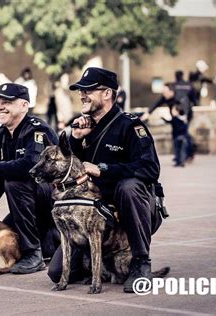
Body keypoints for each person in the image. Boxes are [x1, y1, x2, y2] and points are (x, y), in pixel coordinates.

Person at [48, 67, 162, 293]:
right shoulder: (82, 126)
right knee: (57, 273)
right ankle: (97, 259)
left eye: (88, 90)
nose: (82, 95)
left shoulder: (130, 125)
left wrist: (104, 169)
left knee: (128, 186)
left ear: (107, 93)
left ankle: (140, 262)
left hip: (129, 209)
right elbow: (71, 171)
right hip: (94, 214)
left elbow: (151, 168)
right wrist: (77, 141)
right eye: (80, 90)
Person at [0, 82, 59, 274]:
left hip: (52, 200)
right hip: (27, 198)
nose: (0, 106)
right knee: (3, 233)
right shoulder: (0, 134)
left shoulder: (37, 130)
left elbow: (29, 167)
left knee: (16, 181)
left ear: (24, 105)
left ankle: (34, 253)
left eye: (7, 102)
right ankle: (4, 257)